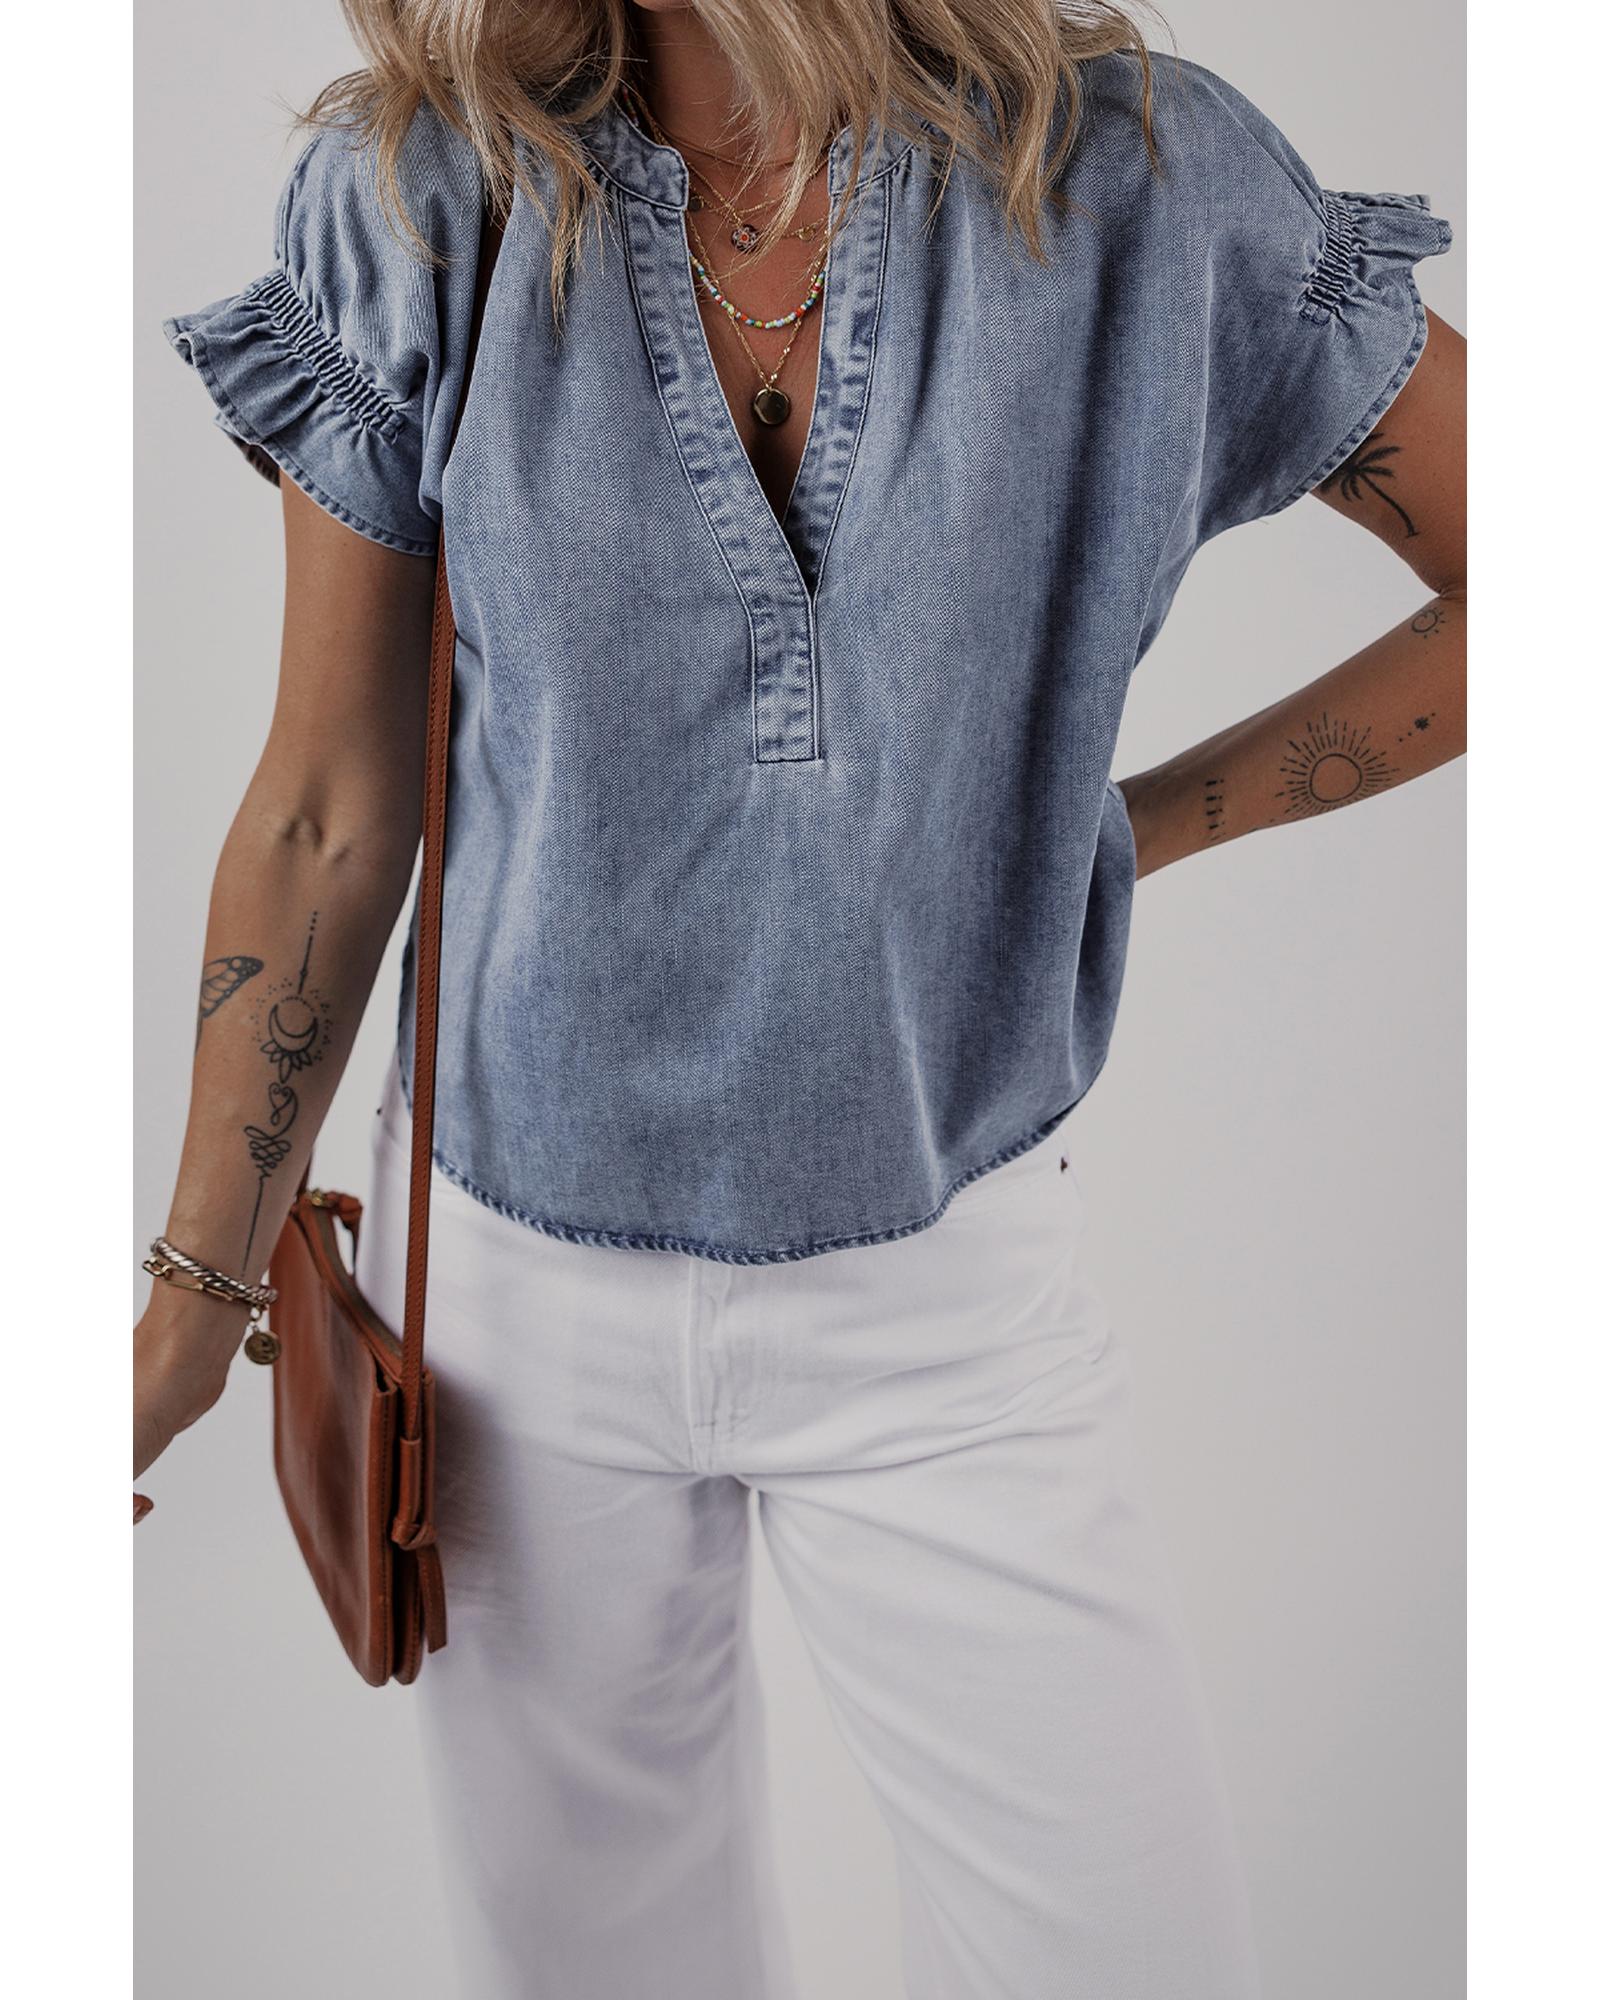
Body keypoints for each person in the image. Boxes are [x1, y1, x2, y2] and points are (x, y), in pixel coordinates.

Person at [137, 2, 1465, 1994]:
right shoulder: (427, 188)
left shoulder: (1138, 184)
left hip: (945, 1296)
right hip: (506, 1298)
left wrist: (1124, 832)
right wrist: (190, 1305)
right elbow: (328, 809)